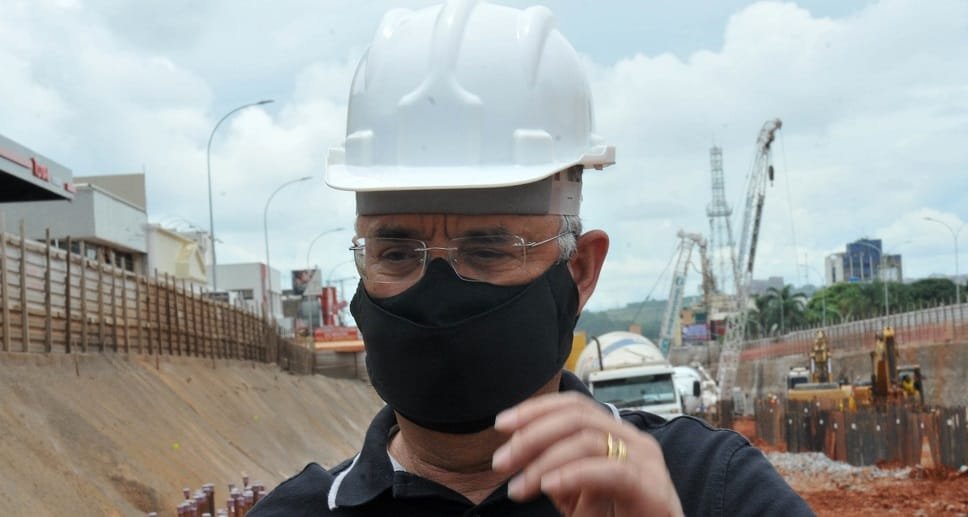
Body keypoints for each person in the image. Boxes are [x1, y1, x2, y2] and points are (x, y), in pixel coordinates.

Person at [251, 1, 812, 515]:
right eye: (397, 252)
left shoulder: (713, 490)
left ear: (581, 270)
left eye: (489, 250)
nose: (439, 293)